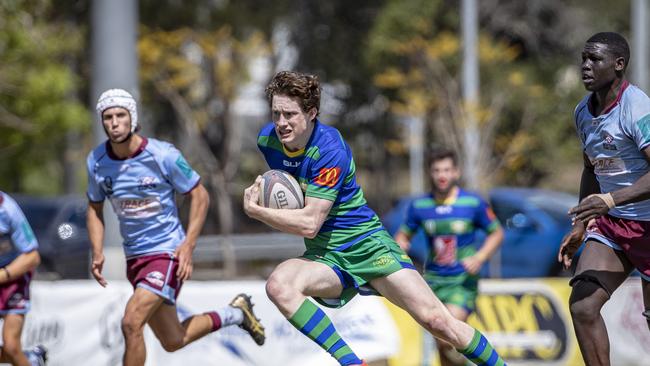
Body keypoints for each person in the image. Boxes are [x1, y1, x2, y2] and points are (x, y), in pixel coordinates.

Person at [243, 71, 506, 366]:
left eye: (289, 114)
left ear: (312, 112)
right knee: (279, 285)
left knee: (439, 323)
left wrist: (258, 211)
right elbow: (294, 188)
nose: (280, 123)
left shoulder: (331, 149)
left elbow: (309, 222)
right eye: (276, 113)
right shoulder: (268, 141)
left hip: (367, 246)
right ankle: (353, 363)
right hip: (326, 255)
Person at [86, 89, 265, 366]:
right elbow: (94, 208)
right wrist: (97, 250)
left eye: (121, 115)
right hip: (135, 258)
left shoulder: (162, 155)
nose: (114, 122)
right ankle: (237, 314)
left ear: (132, 118)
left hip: (166, 253)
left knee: (131, 323)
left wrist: (188, 246)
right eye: (108, 117)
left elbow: (200, 195)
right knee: (173, 340)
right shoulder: (97, 162)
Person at [558, 32, 650, 366]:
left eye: (595, 59)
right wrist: (582, 225)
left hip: (647, 225)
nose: (585, 66)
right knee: (583, 306)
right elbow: (590, 169)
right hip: (613, 227)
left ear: (619, 64)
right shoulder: (583, 112)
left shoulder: (637, 107)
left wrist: (609, 200)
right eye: (583, 58)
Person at [394, 147, 504, 366]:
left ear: (456, 172)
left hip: (462, 282)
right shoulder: (419, 206)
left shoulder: (472, 203)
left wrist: (480, 257)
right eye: (436, 170)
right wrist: (400, 248)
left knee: (448, 330)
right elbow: (402, 236)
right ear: (430, 173)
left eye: (446, 170)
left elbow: (497, 232)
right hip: (433, 282)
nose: (441, 175)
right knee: (442, 341)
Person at [0, 192, 48, 366]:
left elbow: (32, 256)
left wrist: (3, 275)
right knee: (12, 353)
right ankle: (31, 360)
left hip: (13, 280)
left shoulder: (7, 209)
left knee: (11, 346)